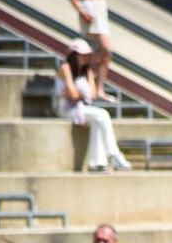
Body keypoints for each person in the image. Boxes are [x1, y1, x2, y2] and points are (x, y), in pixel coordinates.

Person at [54, 38, 129, 172]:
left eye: (87, 54)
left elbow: (92, 94)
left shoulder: (87, 71)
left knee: (97, 121)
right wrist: (80, 94)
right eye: (83, 54)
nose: (86, 57)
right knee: (102, 114)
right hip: (67, 109)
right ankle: (114, 154)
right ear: (74, 55)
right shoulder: (66, 68)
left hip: (82, 108)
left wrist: (79, 93)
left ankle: (97, 163)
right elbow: (73, 94)